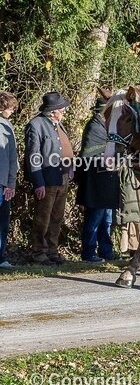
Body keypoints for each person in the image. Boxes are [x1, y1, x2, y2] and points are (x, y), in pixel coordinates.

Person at [24, 91, 75, 265]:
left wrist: (70, 168)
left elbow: (64, 148)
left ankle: (52, 251)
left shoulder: (58, 124)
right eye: (62, 109)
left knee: (56, 217)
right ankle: (39, 252)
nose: (64, 112)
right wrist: (38, 182)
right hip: (46, 180)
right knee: (42, 219)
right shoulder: (36, 125)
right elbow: (33, 155)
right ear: (52, 111)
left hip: (62, 178)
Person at [75, 97, 121, 262]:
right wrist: (108, 157)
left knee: (107, 220)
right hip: (95, 181)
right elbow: (89, 154)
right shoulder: (94, 127)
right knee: (94, 218)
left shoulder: (108, 127)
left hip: (108, 180)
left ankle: (106, 250)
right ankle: (89, 252)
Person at [0, 92, 18, 268]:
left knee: (3, 222)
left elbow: (13, 157)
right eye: (11, 107)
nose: (13, 110)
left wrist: (11, 183)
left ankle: (1, 257)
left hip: (3, 183)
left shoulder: (7, 126)